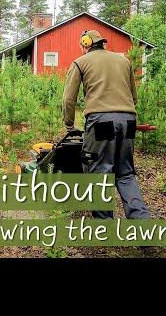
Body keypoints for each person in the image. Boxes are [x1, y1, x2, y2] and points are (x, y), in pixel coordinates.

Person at [62, 29, 150, 219]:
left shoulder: (80, 62)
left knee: (99, 172)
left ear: (85, 43)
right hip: (128, 120)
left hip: (100, 121)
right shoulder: (124, 61)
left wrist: (69, 125)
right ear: (102, 43)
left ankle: (104, 225)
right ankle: (142, 223)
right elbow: (134, 98)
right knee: (125, 173)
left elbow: (69, 99)